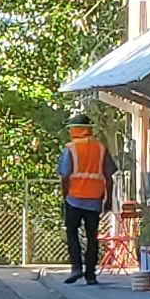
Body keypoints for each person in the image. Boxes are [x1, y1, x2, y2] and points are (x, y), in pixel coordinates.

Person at [57, 118, 113, 281]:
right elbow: (110, 176)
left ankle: (76, 267)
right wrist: (108, 199)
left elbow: (65, 175)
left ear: (75, 129)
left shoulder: (71, 148)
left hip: (74, 198)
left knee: (72, 232)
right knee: (92, 237)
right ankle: (90, 275)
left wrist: (65, 194)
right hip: (95, 199)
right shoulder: (101, 148)